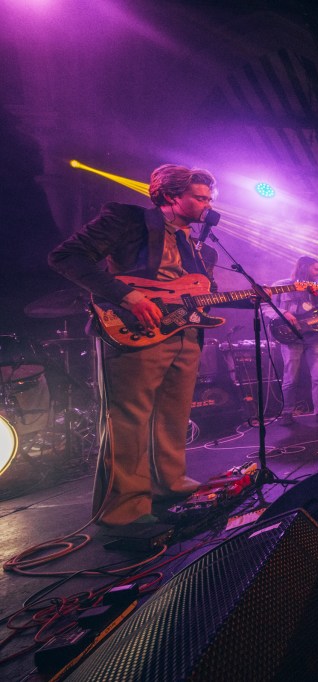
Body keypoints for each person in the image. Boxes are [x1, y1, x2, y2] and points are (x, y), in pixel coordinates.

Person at [48, 164, 218, 526]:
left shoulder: (198, 246)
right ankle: (124, 508)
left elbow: (196, 292)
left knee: (173, 415)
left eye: (209, 198)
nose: (209, 204)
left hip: (185, 334)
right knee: (129, 419)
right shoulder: (127, 219)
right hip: (135, 328)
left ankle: (170, 483)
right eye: (200, 197)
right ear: (171, 195)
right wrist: (128, 296)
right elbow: (66, 256)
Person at [272, 256, 318, 427]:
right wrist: (284, 313)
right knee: (290, 378)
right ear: (304, 268)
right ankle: (286, 413)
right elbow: (267, 306)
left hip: (313, 337)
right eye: (316, 269)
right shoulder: (281, 286)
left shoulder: (317, 289)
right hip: (291, 337)